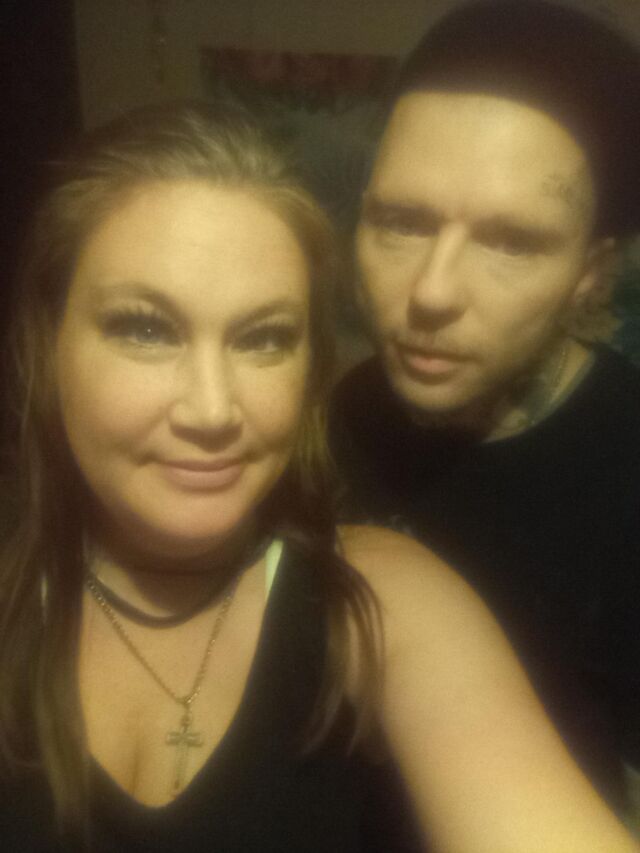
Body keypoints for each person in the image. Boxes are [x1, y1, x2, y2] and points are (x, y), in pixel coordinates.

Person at [0, 100, 636, 853]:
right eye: (145, 328)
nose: (213, 410)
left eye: (264, 338)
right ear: (48, 341)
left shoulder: (384, 601)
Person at [330, 0, 640, 818]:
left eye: (510, 242)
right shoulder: (341, 416)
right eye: (401, 223)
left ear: (590, 274)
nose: (431, 293)